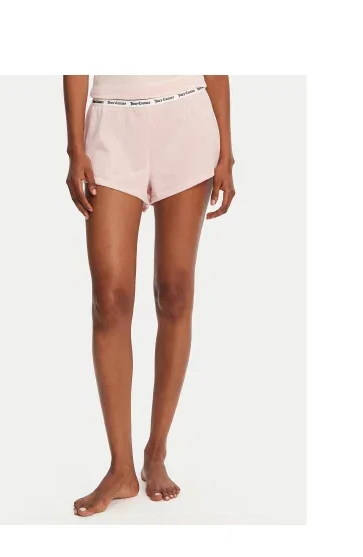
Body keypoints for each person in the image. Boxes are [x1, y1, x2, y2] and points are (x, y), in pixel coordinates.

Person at [63, 75, 235, 517]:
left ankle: (156, 451)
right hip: (112, 124)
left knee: (175, 291)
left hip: (187, 119)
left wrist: (227, 151)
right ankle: (120, 468)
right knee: (109, 299)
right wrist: (75, 147)